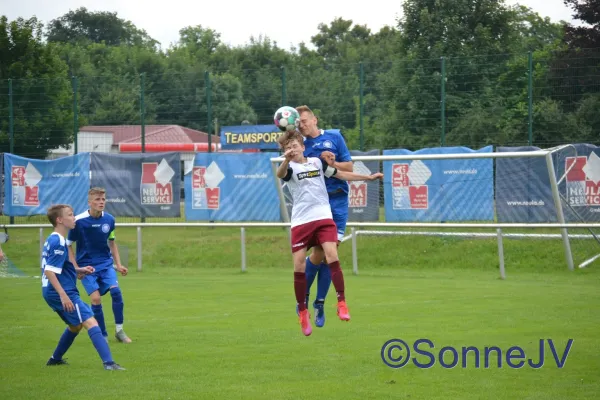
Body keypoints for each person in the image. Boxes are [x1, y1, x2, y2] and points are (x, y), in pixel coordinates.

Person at [276, 130, 383, 336]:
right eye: (287, 147)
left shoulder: (317, 163)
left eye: (294, 145)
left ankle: (341, 302)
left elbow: (341, 174)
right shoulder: (289, 168)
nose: (291, 149)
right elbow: (281, 175)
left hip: (323, 217)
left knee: (332, 254)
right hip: (301, 222)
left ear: (303, 146)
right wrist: (284, 161)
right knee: (298, 266)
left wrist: (366, 177)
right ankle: (303, 311)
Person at [42, 204, 125, 370]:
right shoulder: (58, 241)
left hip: (51, 291)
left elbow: (59, 266)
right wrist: (64, 295)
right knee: (91, 322)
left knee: (75, 325)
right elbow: (50, 271)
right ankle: (109, 363)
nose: (74, 218)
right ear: (59, 220)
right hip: (62, 291)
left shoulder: (55, 238)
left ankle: (55, 359)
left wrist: (79, 270)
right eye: (70, 215)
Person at [294, 105, 354, 328]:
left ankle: (314, 302)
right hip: (316, 205)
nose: (302, 124)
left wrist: (331, 163)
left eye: (305, 120)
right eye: (298, 122)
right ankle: (311, 301)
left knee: (327, 253)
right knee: (324, 254)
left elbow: (347, 165)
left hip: (337, 202)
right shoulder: (300, 147)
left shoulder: (334, 137)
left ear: (315, 120)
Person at [67, 187, 132, 344]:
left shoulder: (109, 220)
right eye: (97, 199)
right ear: (89, 202)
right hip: (86, 267)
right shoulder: (79, 221)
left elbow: (112, 242)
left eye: (103, 199)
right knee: (95, 299)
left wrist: (118, 264)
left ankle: (119, 331)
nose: (101, 202)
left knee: (116, 292)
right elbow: (68, 245)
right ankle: (102, 334)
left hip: (105, 264)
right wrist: (76, 268)